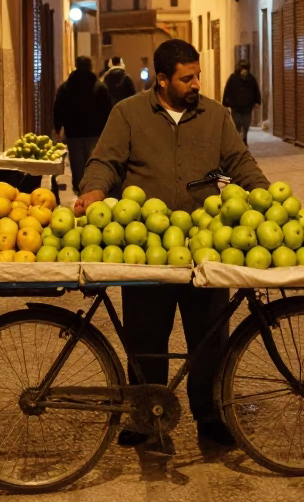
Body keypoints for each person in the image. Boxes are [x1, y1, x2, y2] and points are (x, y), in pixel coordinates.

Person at [75, 38, 271, 451]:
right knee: (145, 337)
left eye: (198, 75)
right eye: (187, 78)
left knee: (210, 337)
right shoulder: (127, 114)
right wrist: (93, 190)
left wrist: (267, 200)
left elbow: (241, 164)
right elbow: (104, 160)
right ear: (162, 81)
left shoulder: (214, 116)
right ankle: (146, 416)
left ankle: (210, 415)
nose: (196, 83)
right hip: (145, 248)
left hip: (207, 246)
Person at [53, 57, 112, 195]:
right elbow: (108, 110)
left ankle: (79, 188)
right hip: (95, 132)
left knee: (76, 163)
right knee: (92, 161)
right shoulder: (100, 87)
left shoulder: (66, 87)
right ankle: (91, 187)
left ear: (76, 66)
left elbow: (58, 106)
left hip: (73, 132)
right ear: (91, 67)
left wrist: (58, 126)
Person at [221, 59, 262, 144]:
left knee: (246, 124)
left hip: (247, 108)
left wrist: (257, 102)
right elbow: (227, 90)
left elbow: (256, 90)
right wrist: (225, 103)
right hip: (236, 107)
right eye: (243, 68)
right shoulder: (233, 78)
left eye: (246, 68)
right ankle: (238, 139)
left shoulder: (251, 79)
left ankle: (244, 138)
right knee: (237, 124)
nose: (244, 70)